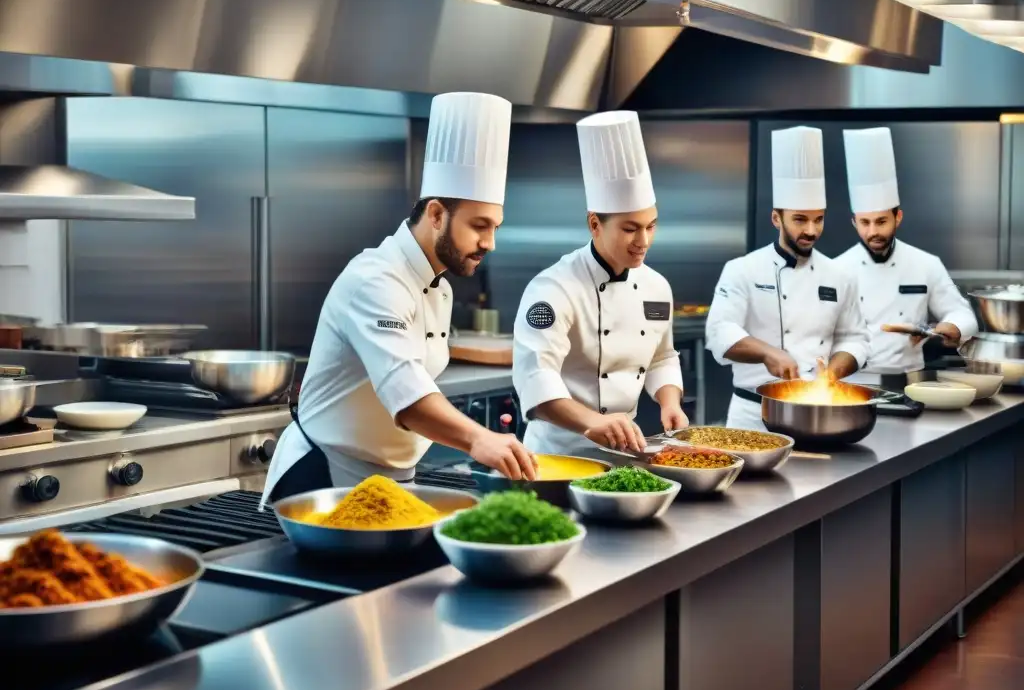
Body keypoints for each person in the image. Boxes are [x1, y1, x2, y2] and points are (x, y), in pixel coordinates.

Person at [261, 92, 535, 508]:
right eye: (479, 226)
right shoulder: (376, 279)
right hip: (325, 480)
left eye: (494, 227)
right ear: (437, 215)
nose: (489, 243)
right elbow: (405, 394)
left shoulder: (439, 286)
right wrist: (479, 438)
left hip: (390, 488)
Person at [512, 110, 686, 455]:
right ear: (594, 224)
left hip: (625, 453)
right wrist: (594, 421)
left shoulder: (656, 287)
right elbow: (536, 383)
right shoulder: (553, 290)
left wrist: (670, 402)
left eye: (651, 226)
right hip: (557, 456)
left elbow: (661, 358)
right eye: (630, 228)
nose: (644, 240)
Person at [705, 126, 869, 430]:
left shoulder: (839, 275)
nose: (811, 230)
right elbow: (718, 333)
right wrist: (768, 353)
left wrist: (832, 374)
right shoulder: (742, 269)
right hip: (752, 416)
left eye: (818, 219)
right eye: (800, 219)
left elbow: (855, 339)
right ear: (776, 218)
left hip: (816, 412)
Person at [836, 127, 977, 373]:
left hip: (910, 380)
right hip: (853, 383)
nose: (872, 232)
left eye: (881, 221)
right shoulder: (837, 269)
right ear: (853, 222)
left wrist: (949, 327)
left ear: (897, 217)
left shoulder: (926, 264)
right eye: (864, 223)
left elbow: (961, 312)